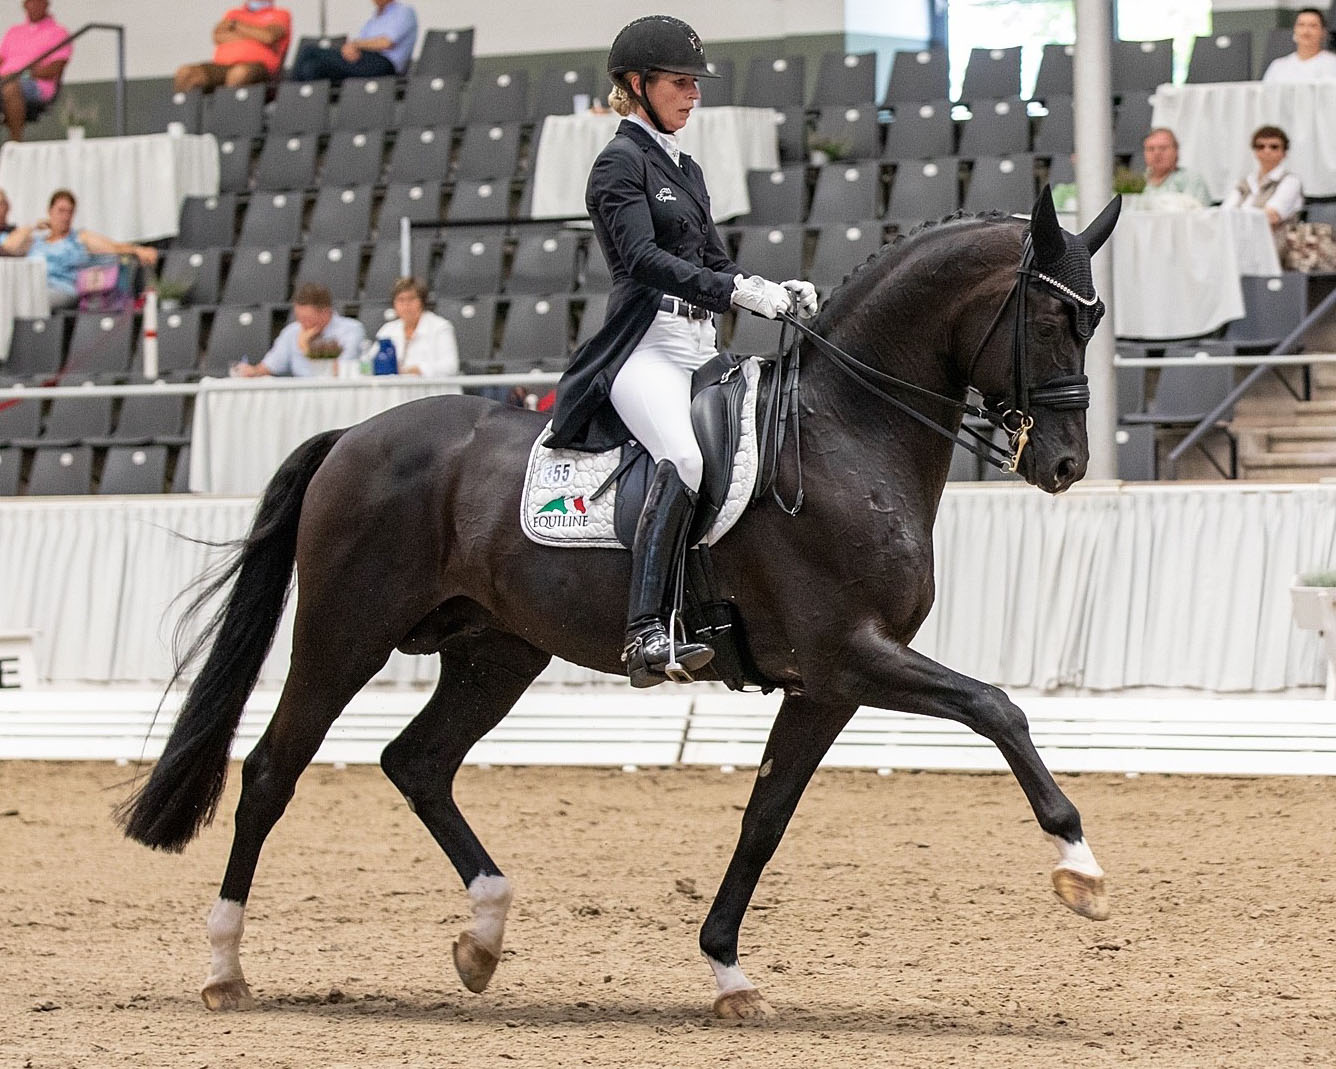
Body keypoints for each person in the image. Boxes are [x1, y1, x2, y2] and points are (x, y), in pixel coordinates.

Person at [544, 15, 818, 689]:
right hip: (646, 348)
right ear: (636, 87)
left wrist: (770, 289)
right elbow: (642, 259)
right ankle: (643, 631)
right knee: (686, 457)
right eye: (679, 82)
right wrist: (738, 290)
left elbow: (714, 261)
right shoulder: (619, 163)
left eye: (694, 83)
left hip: (701, 345)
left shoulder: (685, 166)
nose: (692, 95)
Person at [5, 188, 157, 308]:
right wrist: (33, 225)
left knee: (29, 301)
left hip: (62, 289)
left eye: (70, 212)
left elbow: (112, 247)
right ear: (50, 211)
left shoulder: (79, 238)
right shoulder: (35, 242)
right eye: (61, 211)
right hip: (32, 289)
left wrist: (137, 250)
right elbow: (9, 247)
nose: (65, 217)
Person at [233, 282, 366, 377]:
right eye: (299, 318)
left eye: (307, 319)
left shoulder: (351, 330)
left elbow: (340, 372)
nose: (302, 324)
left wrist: (307, 349)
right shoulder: (292, 332)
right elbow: (270, 366)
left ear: (326, 312)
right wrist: (253, 371)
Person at [173, 0, 292, 94]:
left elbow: (268, 36)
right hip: (223, 66)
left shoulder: (280, 14)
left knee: (239, 74)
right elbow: (218, 36)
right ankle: (181, 121)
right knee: (185, 73)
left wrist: (235, 25)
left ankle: (227, 118)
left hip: (258, 68)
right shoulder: (233, 13)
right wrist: (256, 36)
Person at [291, 0, 417, 83]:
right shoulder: (374, 18)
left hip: (385, 65)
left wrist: (355, 45)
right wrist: (351, 48)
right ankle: (305, 112)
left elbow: (386, 43)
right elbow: (359, 42)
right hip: (363, 60)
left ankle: (287, 99)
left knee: (309, 50)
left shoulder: (404, 11)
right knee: (312, 68)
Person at [0, 0, 72, 142]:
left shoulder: (58, 33)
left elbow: (55, 68)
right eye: (30, 2)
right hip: (5, 79)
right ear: (25, 5)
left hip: (35, 84)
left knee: (11, 87)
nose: (34, 5)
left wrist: (24, 74)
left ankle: (15, 142)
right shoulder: (14, 31)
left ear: (46, 4)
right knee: (7, 84)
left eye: (38, 2)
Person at [1221, 125, 1303, 246]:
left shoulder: (1290, 182)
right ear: (1255, 152)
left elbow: (1271, 216)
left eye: (1274, 147)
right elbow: (1224, 213)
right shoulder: (1245, 182)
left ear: (1284, 153)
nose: (1267, 151)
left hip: (1273, 245)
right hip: (1237, 240)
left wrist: (1237, 215)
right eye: (1261, 146)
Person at [374, 276, 459, 382]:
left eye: (411, 299)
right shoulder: (387, 330)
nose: (406, 305)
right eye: (400, 300)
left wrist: (416, 370)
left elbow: (450, 367)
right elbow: (370, 361)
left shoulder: (440, 327)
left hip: (435, 392)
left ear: (422, 302)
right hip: (397, 392)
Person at [1140, 127, 1211, 206]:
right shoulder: (1138, 182)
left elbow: (1199, 213)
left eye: (1163, 148)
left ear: (1176, 151)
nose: (1157, 153)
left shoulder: (1192, 179)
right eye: (1151, 149)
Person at [1262, 7, 1336, 83]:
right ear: (1294, 30)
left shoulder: (1333, 64)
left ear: (1323, 32)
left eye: (1313, 26)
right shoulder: (1278, 66)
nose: (1306, 31)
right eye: (1301, 25)